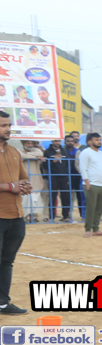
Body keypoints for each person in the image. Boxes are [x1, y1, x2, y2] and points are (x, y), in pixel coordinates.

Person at [0, 109, 32, 314]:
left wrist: (25, 186)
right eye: (3, 125)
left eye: (9, 125)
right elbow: (13, 184)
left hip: (16, 215)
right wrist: (10, 187)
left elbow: (23, 178)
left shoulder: (14, 151)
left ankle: (3, 303)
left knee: (7, 261)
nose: (8, 129)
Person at [77, 132, 102, 236]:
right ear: (90, 141)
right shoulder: (86, 152)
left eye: (100, 140)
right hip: (91, 183)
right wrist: (87, 182)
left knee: (100, 208)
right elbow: (83, 168)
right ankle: (88, 229)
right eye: (96, 140)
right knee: (91, 207)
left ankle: (96, 228)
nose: (99, 142)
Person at [43, 140, 75, 222]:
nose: (57, 143)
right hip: (53, 176)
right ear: (52, 141)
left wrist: (66, 173)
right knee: (52, 197)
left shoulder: (64, 151)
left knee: (66, 196)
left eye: (59, 141)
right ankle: (51, 217)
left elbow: (69, 163)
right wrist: (53, 161)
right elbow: (44, 165)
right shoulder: (47, 152)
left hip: (64, 177)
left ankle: (66, 216)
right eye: (56, 141)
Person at [19, 141, 47, 222]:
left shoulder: (37, 150)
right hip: (23, 178)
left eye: (32, 143)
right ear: (24, 144)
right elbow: (21, 155)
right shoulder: (18, 150)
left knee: (35, 197)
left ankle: (34, 216)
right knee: (25, 198)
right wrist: (35, 157)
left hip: (35, 178)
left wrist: (28, 156)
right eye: (28, 143)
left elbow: (40, 154)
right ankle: (25, 216)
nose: (30, 145)